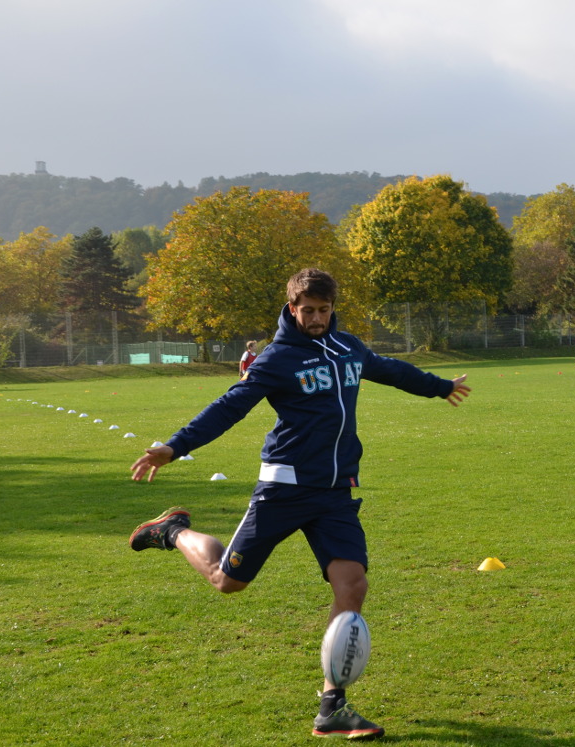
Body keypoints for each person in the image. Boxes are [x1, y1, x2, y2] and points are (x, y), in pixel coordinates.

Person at [128, 268, 470, 741]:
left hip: (335, 492)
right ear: (292, 308)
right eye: (306, 310)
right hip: (284, 488)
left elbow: (388, 369)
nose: (315, 318)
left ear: (332, 308)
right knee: (227, 582)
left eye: (323, 310)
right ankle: (173, 530)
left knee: (352, 586)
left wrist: (437, 385)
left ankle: (333, 706)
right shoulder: (276, 359)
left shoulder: (347, 346)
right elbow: (230, 406)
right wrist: (174, 446)